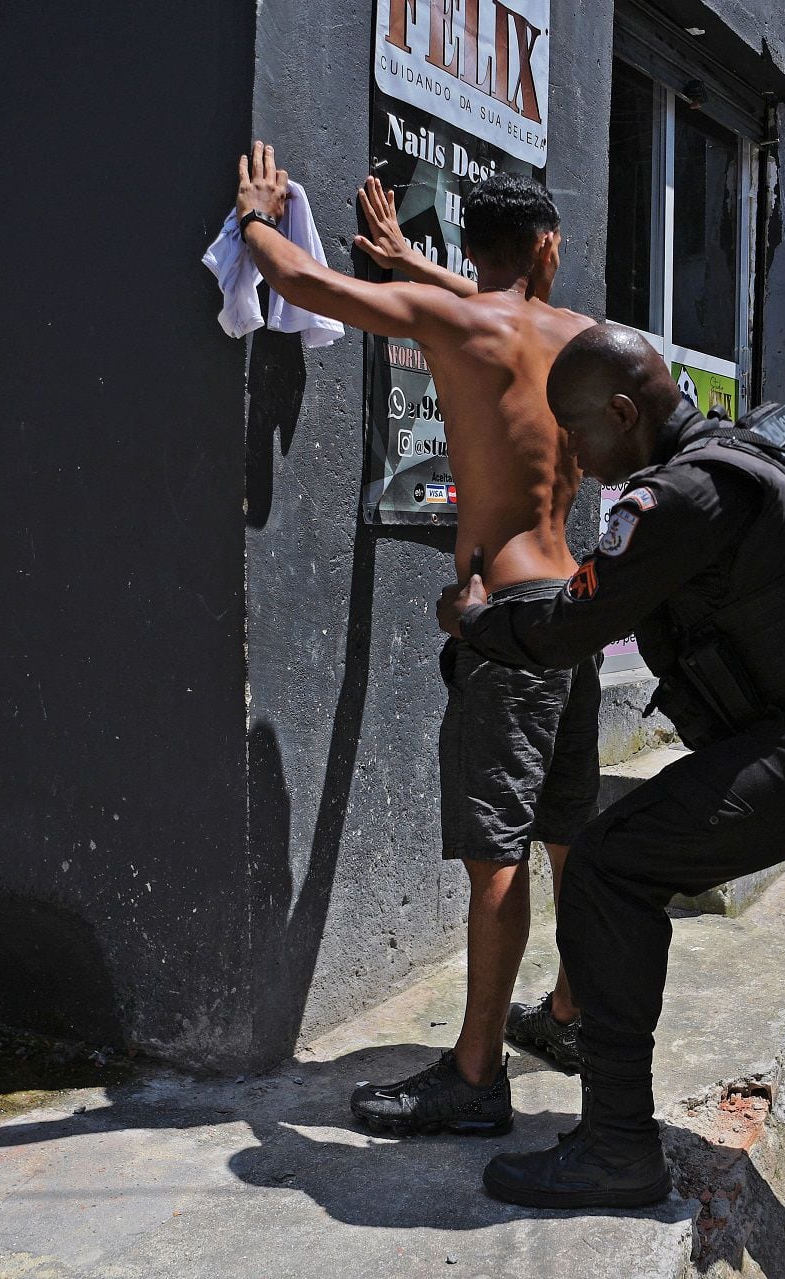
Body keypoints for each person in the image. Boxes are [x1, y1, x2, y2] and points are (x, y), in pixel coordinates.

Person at [437, 323, 785, 1279]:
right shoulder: (744, 447)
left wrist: (482, 627)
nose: (573, 454)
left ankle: (616, 1143)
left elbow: (577, 622)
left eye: (578, 432)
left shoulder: (680, 494)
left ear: (624, 413)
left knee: (611, 865)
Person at [235, 142, 596, 1133]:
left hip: (507, 622)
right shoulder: (581, 335)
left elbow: (301, 279)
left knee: (498, 856)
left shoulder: (458, 320)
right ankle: (572, 1013)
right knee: (570, 831)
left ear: (474, 249)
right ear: (548, 249)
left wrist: (259, 212)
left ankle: (476, 1079)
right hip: (576, 604)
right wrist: (406, 258)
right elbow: (497, 306)